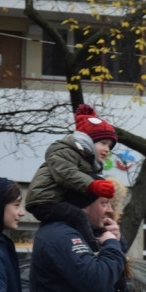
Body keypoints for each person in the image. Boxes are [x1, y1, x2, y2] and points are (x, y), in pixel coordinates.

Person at [25, 104, 118, 252]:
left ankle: (98, 239)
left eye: (110, 146)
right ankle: (93, 250)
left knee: (78, 217)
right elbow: (66, 174)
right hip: (45, 200)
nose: (107, 149)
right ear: (87, 141)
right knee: (78, 215)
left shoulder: (83, 158)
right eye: (103, 143)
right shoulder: (65, 151)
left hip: (54, 199)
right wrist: (92, 184)